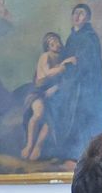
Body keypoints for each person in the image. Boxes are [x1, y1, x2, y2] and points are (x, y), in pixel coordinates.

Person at [43, 3, 102, 162]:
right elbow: (66, 63)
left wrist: (68, 74)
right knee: (55, 105)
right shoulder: (72, 37)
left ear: (87, 18)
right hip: (72, 84)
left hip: (86, 86)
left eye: (81, 14)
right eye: (75, 13)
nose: (77, 17)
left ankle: (80, 155)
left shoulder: (89, 37)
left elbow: (86, 64)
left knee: (82, 115)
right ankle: (62, 151)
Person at [22, 32, 74, 162]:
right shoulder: (45, 56)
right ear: (47, 46)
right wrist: (64, 65)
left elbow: (63, 81)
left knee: (51, 119)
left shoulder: (61, 57)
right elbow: (47, 73)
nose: (56, 44)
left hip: (52, 93)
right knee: (39, 113)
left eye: (58, 42)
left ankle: (38, 147)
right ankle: (29, 145)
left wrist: (56, 87)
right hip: (38, 91)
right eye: (52, 43)